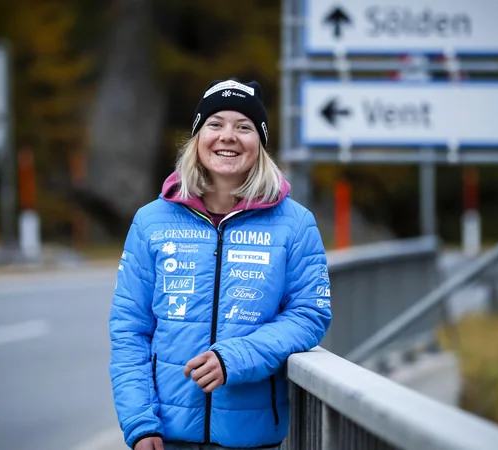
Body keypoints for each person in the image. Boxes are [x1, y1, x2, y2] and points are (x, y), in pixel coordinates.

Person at [108, 77, 333, 450]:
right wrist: (139, 422)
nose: (228, 136)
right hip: (166, 437)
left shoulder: (295, 223)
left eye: (243, 127)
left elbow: (309, 314)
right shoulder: (150, 222)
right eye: (215, 124)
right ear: (197, 138)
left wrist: (235, 358)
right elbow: (130, 331)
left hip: (253, 439)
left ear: (259, 143)